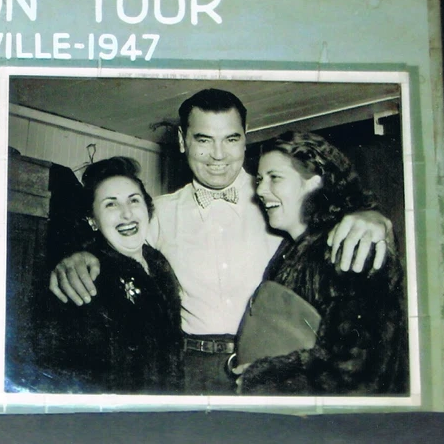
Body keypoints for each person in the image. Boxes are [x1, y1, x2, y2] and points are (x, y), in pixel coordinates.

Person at [49, 88, 393, 394]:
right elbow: (112, 244)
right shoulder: (158, 212)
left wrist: (372, 215)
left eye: (230, 139)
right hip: (189, 369)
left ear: (245, 138)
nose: (218, 155)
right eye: (203, 140)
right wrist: (79, 255)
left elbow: (335, 216)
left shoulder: (279, 203)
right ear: (183, 141)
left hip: (276, 365)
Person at [229, 132, 407, 394]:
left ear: (314, 182)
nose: (260, 190)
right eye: (259, 179)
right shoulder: (292, 248)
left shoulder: (350, 246)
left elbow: (357, 371)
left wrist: (262, 376)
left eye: (274, 178)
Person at [19, 157, 182, 393]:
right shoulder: (84, 275)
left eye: (133, 201)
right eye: (111, 205)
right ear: (92, 220)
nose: (127, 214)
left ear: (147, 208)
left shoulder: (159, 263)